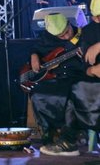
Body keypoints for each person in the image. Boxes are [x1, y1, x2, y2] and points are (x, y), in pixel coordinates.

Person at [40, 0, 100, 156]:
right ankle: (68, 141)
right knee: (78, 88)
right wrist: (93, 69)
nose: (97, 20)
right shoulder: (89, 31)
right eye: (95, 16)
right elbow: (88, 69)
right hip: (95, 84)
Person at [29, 13, 84, 145]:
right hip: (56, 77)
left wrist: (85, 57)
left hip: (76, 76)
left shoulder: (82, 35)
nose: (66, 36)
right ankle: (47, 131)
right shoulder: (47, 37)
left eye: (67, 32)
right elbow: (35, 48)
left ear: (69, 24)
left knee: (72, 95)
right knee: (37, 93)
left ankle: (69, 134)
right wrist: (34, 55)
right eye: (61, 36)